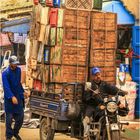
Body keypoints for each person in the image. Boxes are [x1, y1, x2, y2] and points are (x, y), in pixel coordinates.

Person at [83, 67, 127, 140]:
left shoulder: (104, 84)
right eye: (96, 75)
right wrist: (92, 95)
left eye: (99, 74)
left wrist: (122, 92)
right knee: (86, 119)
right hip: (93, 105)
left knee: (114, 112)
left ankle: (116, 128)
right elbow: (85, 99)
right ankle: (86, 135)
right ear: (92, 76)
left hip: (104, 104)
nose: (98, 76)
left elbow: (113, 89)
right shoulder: (90, 85)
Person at [2, 55, 29, 140]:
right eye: (14, 64)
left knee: (20, 118)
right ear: (10, 63)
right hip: (9, 100)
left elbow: (18, 83)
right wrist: (12, 96)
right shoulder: (5, 73)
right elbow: (6, 87)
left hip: (18, 97)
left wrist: (23, 92)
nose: (16, 65)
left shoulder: (18, 70)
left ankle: (15, 132)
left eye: (16, 63)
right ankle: (9, 136)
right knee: (9, 120)